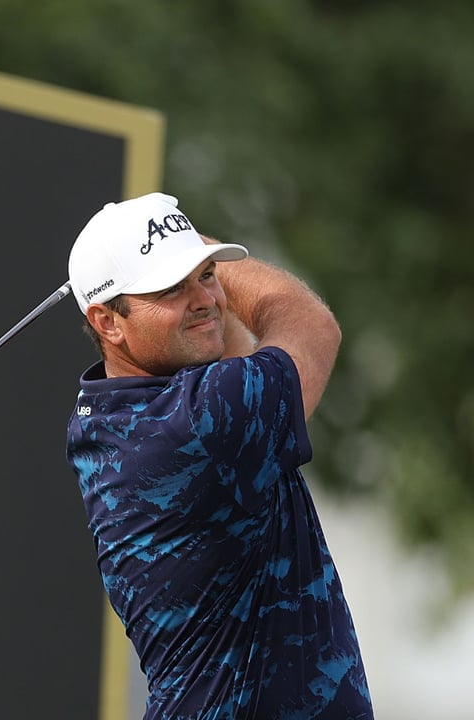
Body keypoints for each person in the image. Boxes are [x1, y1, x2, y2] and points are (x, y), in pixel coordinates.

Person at [64, 192, 373, 718]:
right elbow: (310, 326)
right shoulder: (195, 423)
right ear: (108, 322)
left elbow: (216, 343)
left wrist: (178, 255)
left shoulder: (108, 417)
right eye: (170, 287)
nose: (204, 297)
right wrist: (200, 246)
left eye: (207, 275)